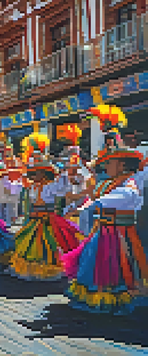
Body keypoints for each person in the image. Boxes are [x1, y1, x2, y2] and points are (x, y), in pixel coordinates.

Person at [62, 128, 148, 315]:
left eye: (111, 163)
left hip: (120, 233)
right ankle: (99, 295)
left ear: (122, 165)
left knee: (115, 263)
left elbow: (118, 198)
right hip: (103, 230)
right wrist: (80, 206)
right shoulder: (110, 182)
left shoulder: (129, 184)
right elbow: (95, 198)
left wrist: (88, 205)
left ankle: (114, 297)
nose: (107, 167)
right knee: (95, 261)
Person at [9, 133, 83, 281]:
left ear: (44, 174)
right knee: (30, 244)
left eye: (37, 173)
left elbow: (62, 189)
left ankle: (51, 268)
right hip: (34, 220)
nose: (34, 176)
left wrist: (65, 173)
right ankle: (33, 269)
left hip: (48, 220)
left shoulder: (50, 186)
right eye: (33, 174)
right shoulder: (32, 188)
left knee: (49, 244)